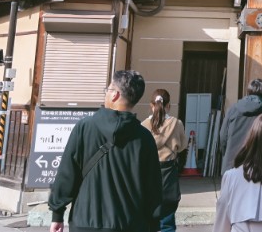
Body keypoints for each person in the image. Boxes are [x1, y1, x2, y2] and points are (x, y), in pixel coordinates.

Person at [48, 70, 163, 232]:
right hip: (130, 222)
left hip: (85, 220)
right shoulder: (144, 138)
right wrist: (153, 224)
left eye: (108, 90)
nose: (106, 94)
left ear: (115, 95)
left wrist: (57, 214)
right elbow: (153, 187)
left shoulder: (84, 127)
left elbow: (67, 173)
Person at [142, 88, 188, 232]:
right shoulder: (177, 124)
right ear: (168, 106)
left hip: (147, 174)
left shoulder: (143, 126)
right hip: (168, 175)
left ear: (151, 105)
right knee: (167, 221)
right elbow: (182, 147)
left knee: (147, 220)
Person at [221, 78, 262, 170]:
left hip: (232, 162)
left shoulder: (233, 109)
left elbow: (223, 136)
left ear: (248, 91)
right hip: (258, 165)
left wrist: (226, 154)